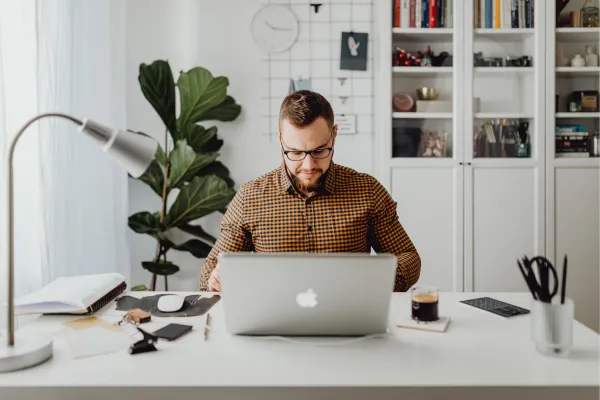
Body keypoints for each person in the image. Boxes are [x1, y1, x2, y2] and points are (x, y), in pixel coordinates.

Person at [200, 90, 421, 292]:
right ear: (280, 139)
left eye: (319, 150)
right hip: (273, 323)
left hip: (348, 318)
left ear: (334, 135)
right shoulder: (250, 198)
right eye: (295, 152)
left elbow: (408, 257)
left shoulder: (368, 191)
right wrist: (215, 278)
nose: (308, 166)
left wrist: (377, 281)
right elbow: (211, 267)